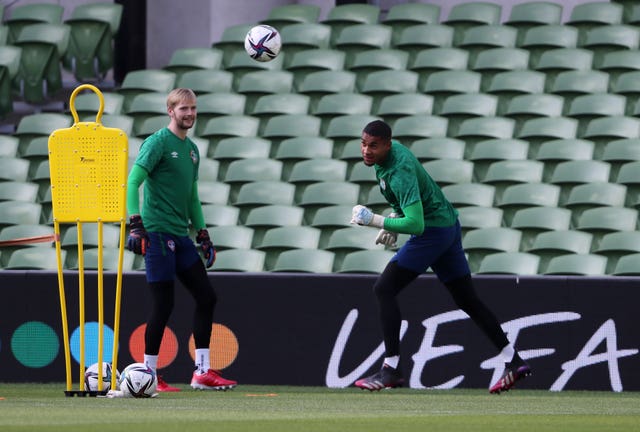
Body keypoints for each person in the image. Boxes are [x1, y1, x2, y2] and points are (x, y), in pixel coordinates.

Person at [350, 120, 530, 394]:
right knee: (467, 300)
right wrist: (396, 217)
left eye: (373, 145)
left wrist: (377, 221)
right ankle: (513, 360)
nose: (366, 150)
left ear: (387, 144)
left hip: (433, 232)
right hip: (448, 224)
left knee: (384, 288)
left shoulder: (399, 170)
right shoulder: (391, 155)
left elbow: (417, 225)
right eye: (363, 144)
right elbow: (413, 203)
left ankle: (391, 369)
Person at [126, 88, 237, 392]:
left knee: (207, 297)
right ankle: (149, 374)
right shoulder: (158, 143)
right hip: (157, 233)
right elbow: (133, 181)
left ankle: (201, 372)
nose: (189, 114)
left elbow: (192, 196)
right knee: (164, 303)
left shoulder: (192, 150)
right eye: (183, 109)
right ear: (170, 111)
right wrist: (135, 224)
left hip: (180, 235)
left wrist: (202, 233)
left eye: (193, 108)